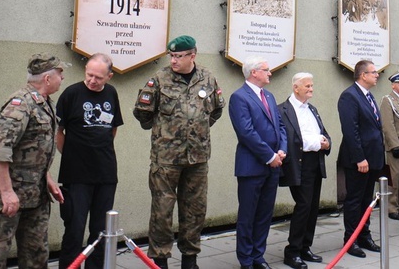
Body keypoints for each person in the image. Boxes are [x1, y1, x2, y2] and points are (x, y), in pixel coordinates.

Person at [134, 36, 226, 269]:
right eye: (171, 56)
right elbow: (142, 112)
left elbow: (215, 110)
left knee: (195, 210)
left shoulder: (207, 78)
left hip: (198, 157)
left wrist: (195, 132)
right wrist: (166, 133)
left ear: (192, 55)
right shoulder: (159, 79)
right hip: (166, 159)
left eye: (178, 56)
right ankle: (160, 260)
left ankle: (190, 259)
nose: (173, 60)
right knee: (162, 211)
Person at [0, 54, 67, 268]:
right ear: (47, 78)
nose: (62, 78)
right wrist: (6, 192)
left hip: (34, 196)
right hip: (6, 199)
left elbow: (32, 149)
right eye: (60, 74)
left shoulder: (43, 103)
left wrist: (47, 178)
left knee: (36, 256)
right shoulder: (21, 104)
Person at [56, 53, 123, 269]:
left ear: (109, 77)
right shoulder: (72, 93)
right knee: (75, 229)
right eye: (89, 75)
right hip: (76, 175)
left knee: (100, 231)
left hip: (105, 173)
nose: (92, 81)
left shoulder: (111, 94)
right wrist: (71, 156)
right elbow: (59, 131)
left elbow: (112, 129)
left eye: (99, 78)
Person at [229, 56, 287, 269]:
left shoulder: (269, 96)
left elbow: (280, 125)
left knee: (264, 215)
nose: (269, 73)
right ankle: (246, 260)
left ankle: (258, 256)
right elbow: (246, 132)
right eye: (266, 69)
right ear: (253, 72)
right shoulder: (239, 97)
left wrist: (282, 149)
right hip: (251, 167)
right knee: (248, 215)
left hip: (273, 166)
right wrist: (270, 156)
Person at [278, 73, 331, 269]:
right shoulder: (283, 110)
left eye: (312, 85)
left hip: (315, 163)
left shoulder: (312, 109)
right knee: (303, 205)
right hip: (297, 164)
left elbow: (323, 132)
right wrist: (318, 141)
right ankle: (292, 251)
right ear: (296, 88)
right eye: (307, 86)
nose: (311, 89)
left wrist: (326, 142)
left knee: (313, 207)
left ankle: (305, 247)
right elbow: (292, 139)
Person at [337, 60, 384, 257]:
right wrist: (360, 158)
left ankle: (364, 235)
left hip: (372, 159)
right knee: (354, 200)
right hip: (359, 160)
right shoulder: (349, 96)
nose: (377, 75)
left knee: (367, 200)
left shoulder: (368, 96)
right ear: (363, 75)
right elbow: (351, 131)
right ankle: (351, 240)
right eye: (373, 72)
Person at [380, 71, 399, 221]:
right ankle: (391, 207)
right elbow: (387, 124)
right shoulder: (388, 100)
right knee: (394, 178)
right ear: (393, 85)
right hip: (396, 145)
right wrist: (393, 145)